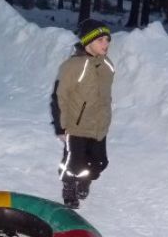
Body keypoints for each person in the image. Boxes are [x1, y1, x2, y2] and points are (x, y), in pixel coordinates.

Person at [50, 19, 115, 209]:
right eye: (100, 40)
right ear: (87, 41)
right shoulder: (72, 66)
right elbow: (59, 97)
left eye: (107, 39)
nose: (106, 44)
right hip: (76, 127)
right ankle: (69, 186)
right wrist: (60, 127)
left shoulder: (107, 65)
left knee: (99, 163)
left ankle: (85, 180)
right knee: (74, 163)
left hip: (99, 126)